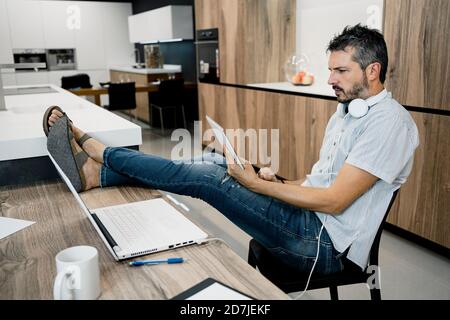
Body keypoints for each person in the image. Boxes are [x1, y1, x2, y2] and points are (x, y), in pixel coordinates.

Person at [43, 24, 419, 275]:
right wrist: (279, 179)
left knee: (210, 178)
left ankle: (100, 154)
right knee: (213, 160)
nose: (330, 79)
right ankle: (98, 174)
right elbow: (318, 181)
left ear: (372, 71)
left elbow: (335, 201)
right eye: (331, 70)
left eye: (341, 71)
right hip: (310, 222)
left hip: (323, 247)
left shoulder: (389, 124)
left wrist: (257, 186)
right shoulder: (347, 111)